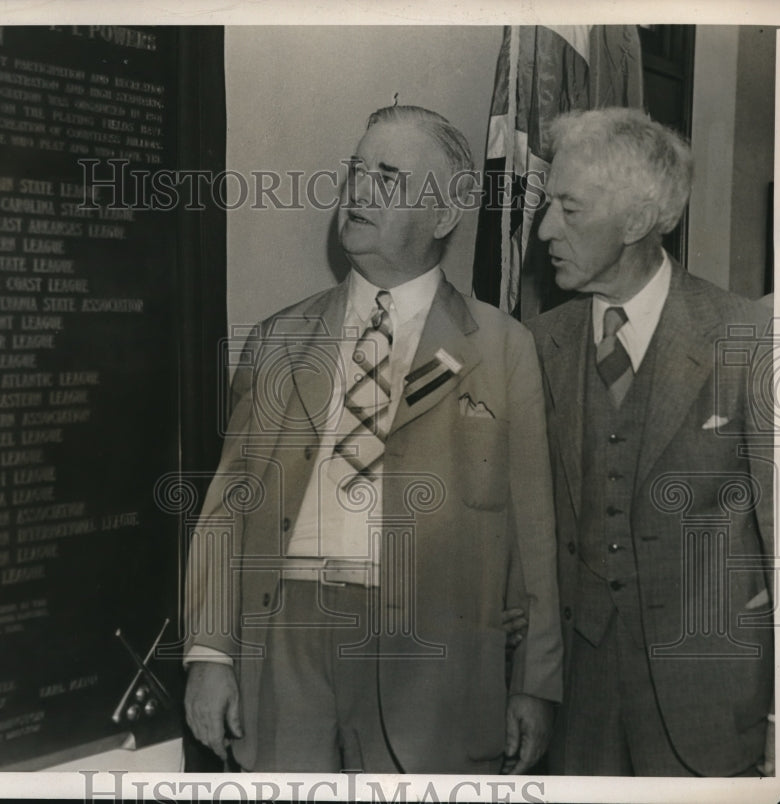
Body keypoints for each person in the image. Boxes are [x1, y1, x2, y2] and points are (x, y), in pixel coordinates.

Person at [182, 105, 563, 773]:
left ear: (444, 216)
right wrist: (210, 655)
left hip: (432, 655)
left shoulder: (503, 349)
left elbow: (534, 533)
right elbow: (227, 509)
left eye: (389, 177)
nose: (359, 191)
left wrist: (535, 682)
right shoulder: (279, 339)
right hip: (287, 639)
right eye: (357, 171)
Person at [528, 107, 775, 776]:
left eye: (569, 210)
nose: (545, 229)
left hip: (711, 702)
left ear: (636, 222)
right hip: (576, 707)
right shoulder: (540, 347)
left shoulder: (747, 339)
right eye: (548, 206)